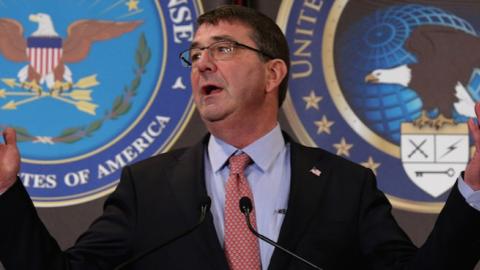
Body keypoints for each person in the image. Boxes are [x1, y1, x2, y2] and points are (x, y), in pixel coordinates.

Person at [1, 5, 480, 270]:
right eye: (195, 55)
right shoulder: (146, 188)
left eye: (223, 49)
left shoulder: (344, 186)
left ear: (273, 73)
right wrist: (4, 191)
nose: (202, 64)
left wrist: (474, 190)